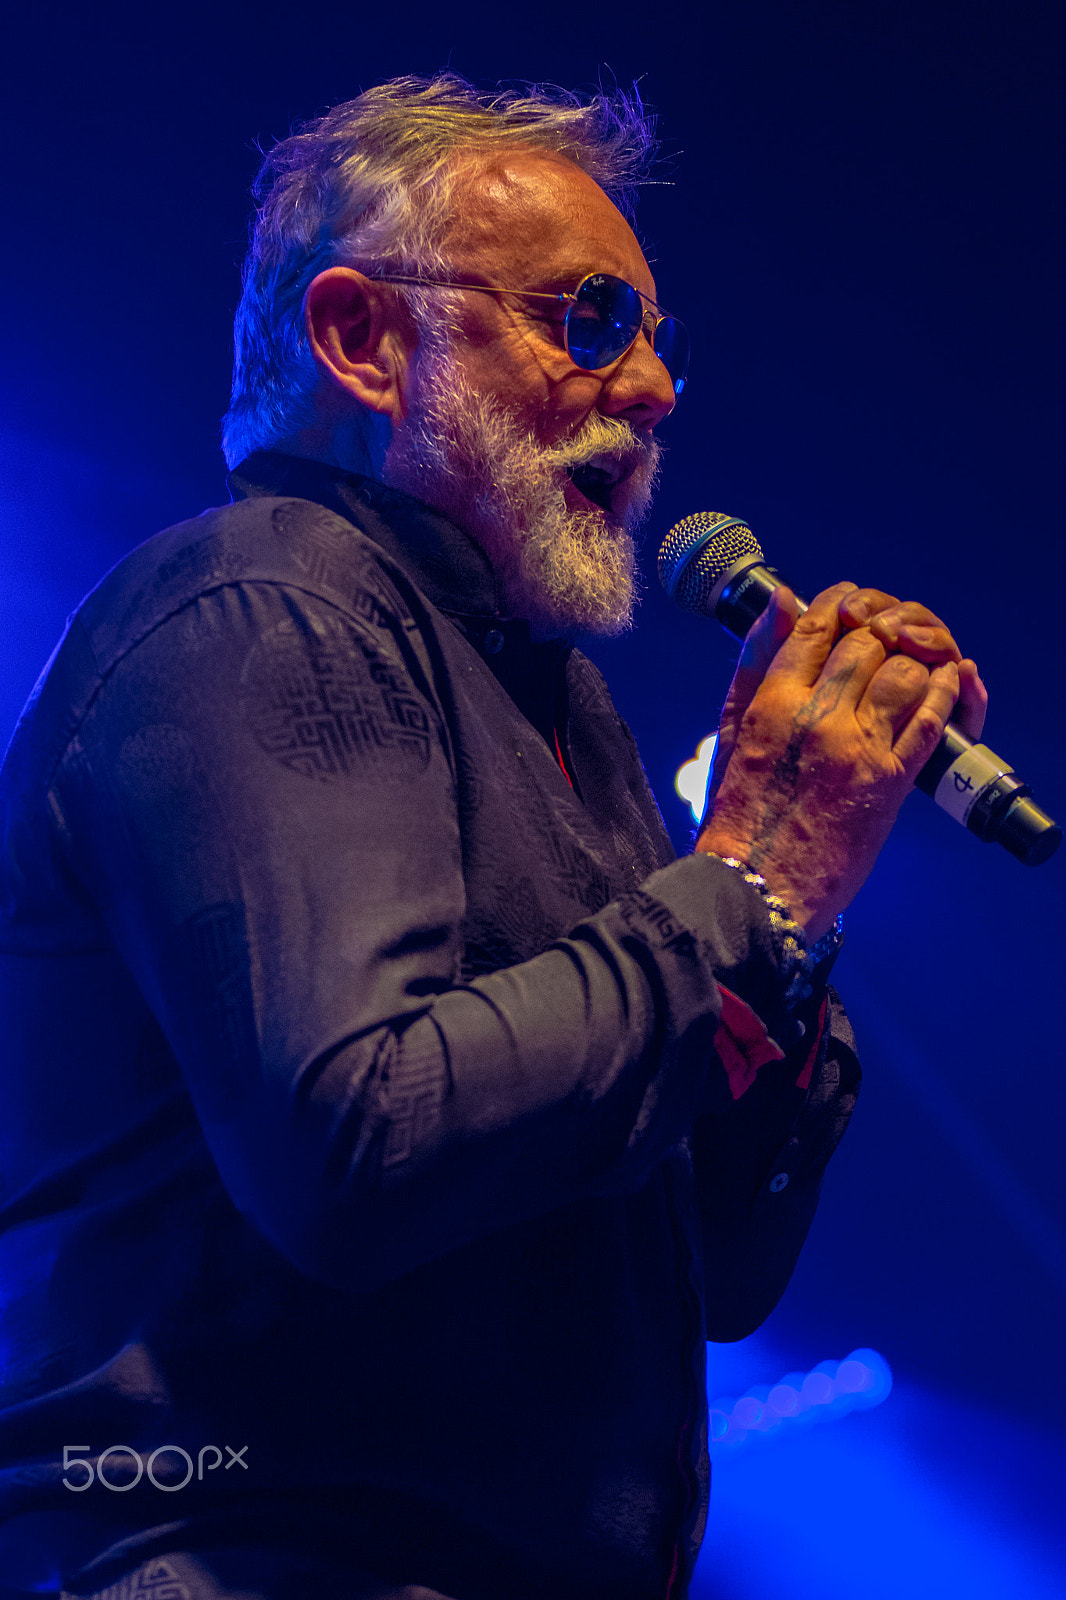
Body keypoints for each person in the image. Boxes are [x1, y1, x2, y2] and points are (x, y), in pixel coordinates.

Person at [0, 75, 986, 1600]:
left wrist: (795, 899)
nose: (654, 385)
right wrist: (749, 876)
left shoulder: (562, 708)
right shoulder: (263, 605)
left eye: (657, 337)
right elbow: (359, 1148)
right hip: (226, 1552)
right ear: (362, 340)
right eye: (590, 319)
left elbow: (716, 1266)